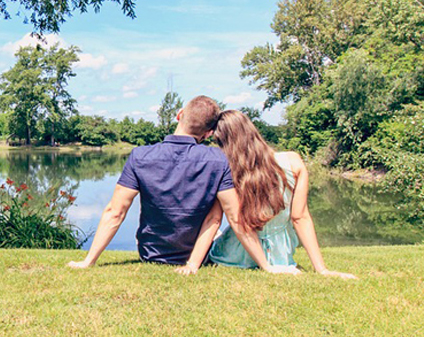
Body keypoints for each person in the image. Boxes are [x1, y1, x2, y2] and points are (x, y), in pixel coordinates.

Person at [67, 96, 294, 273]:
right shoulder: (217, 160)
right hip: (197, 257)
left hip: (150, 254)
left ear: (179, 115)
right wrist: (266, 266)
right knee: (215, 228)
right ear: (207, 134)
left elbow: (115, 213)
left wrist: (88, 261)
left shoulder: (140, 156)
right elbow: (231, 218)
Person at [205, 109, 356, 278]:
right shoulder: (293, 162)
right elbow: (300, 218)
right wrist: (322, 269)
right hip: (279, 256)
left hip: (232, 256)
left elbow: (221, 219)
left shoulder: (226, 171)